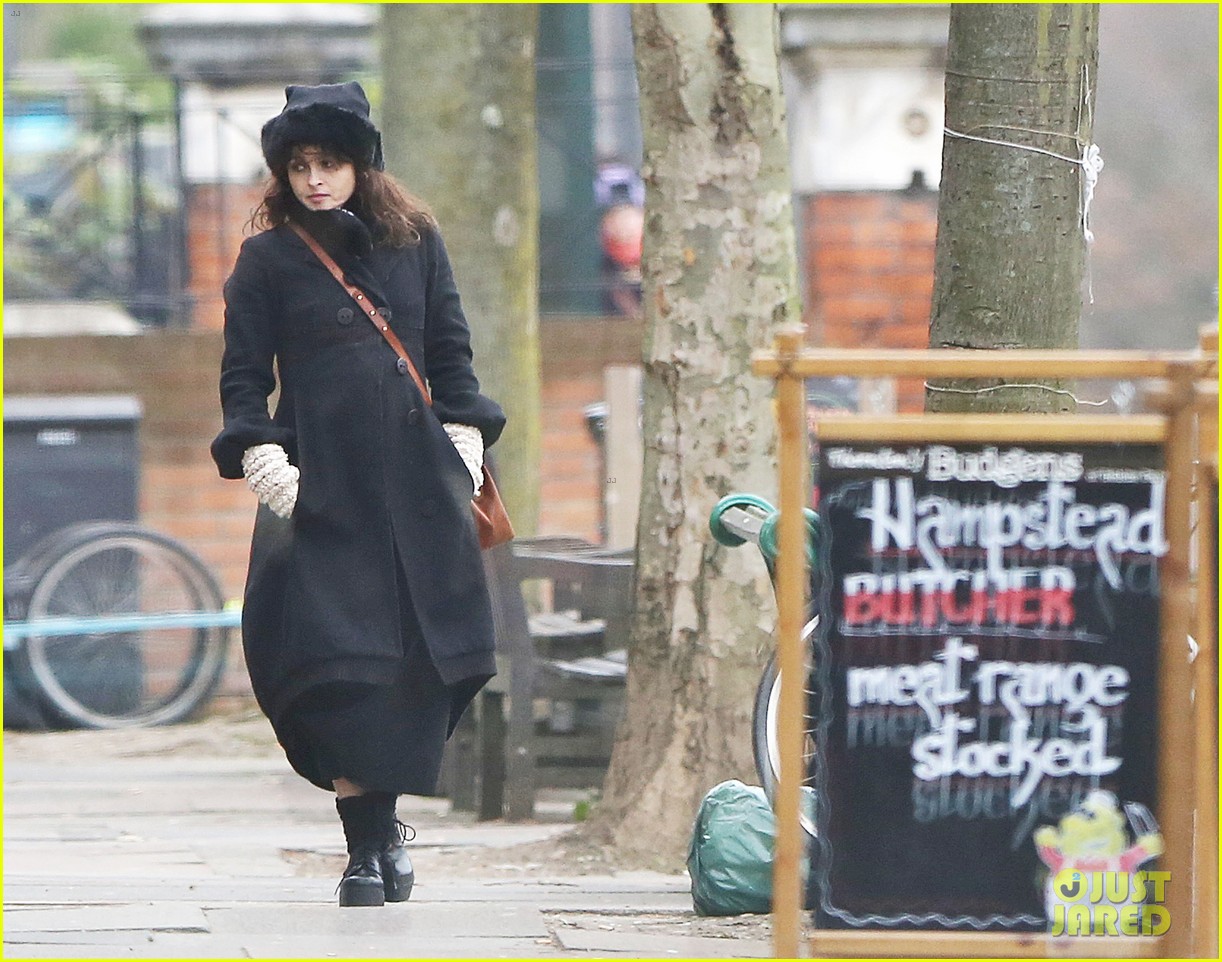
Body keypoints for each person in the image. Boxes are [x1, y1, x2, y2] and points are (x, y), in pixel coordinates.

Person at [210, 82, 506, 907]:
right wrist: (266, 463)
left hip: (419, 490)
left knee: (414, 667)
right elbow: (243, 378)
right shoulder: (267, 261)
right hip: (319, 494)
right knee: (336, 670)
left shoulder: (417, 243)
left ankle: (380, 840)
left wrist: (464, 443)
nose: (315, 180)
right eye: (300, 165)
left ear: (361, 164)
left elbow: (451, 356)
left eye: (330, 163)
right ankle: (365, 852)